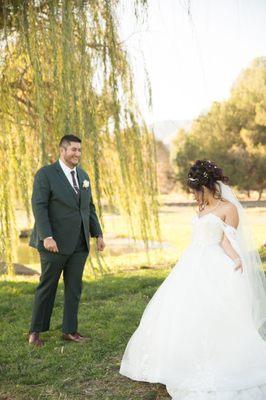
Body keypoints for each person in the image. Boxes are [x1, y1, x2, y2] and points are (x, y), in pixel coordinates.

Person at [120, 160, 266, 399]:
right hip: (192, 262)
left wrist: (236, 259)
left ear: (206, 186)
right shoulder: (199, 208)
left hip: (215, 262)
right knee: (182, 309)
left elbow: (226, 240)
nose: (194, 196)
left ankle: (218, 358)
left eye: (196, 191)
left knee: (214, 310)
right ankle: (180, 357)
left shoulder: (228, 208)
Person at [28, 134, 105, 346]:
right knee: (48, 286)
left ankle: (69, 330)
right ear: (62, 151)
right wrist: (47, 236)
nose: (77, 154)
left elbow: (89, 208)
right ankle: (35, 331)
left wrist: (97, 234)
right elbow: (39, 206)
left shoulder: (83, 176)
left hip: (79, 244)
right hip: (53, 244)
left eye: (79, 150)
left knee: (74, 288)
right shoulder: (45, 174)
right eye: (73, 150)